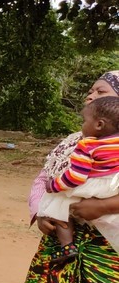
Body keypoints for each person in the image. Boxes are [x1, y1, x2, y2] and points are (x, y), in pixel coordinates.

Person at [14, 70, 119, 283]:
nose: (90, 96)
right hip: (57, 250)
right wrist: (42, 213)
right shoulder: (74, 142)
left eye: (100, 91)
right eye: (89, 90)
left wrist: (102, 206)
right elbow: (42, 180)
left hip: (106, 257)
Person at [38, 96, 119, 261]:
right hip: (112, 186)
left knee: (58, 201)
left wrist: (53, 186)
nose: (91, 95)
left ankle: (67, 246)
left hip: (94, 187)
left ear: (99, 124)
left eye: (84, 120)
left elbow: (76, 176)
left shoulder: (87, 144)